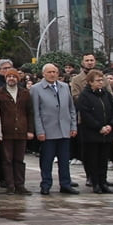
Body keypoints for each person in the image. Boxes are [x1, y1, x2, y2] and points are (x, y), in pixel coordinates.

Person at [31, 63, 78, 196]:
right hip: (48, 131)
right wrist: (39, 131)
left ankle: (65, 184)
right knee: (46, 161)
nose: (52, 74)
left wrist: (73, 126)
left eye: (55, 72)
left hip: (64, 130)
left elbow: (71, 109)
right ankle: (46, 184)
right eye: (49, 72)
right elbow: (36, 112)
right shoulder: (36, 89)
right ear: (44, 74)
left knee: (64, 160)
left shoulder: (64, 87)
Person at [76, 70, 113, 194]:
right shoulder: (85, 96)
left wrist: (111, 125)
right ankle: (95, 183)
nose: (101, 83)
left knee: (103, 159)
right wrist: (99, 127)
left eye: (102, 80)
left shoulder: (106, 94)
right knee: (93, 159)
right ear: (90, 82)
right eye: (98, 80)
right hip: (92, 134)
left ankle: (103, 182)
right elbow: (85, 114)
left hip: (106, 133)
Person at [0, 69, 33, 194]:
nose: (11, 79)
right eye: (8, 76)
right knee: (7, 160)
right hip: (5, 131)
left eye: (13, 77)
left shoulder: (25, 93)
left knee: (19, 159)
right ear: (5, 78)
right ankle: (10, 185)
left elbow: (30, 112)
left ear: (18, 79)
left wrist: (30, 130)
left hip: (21, 130)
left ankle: (20, 184)